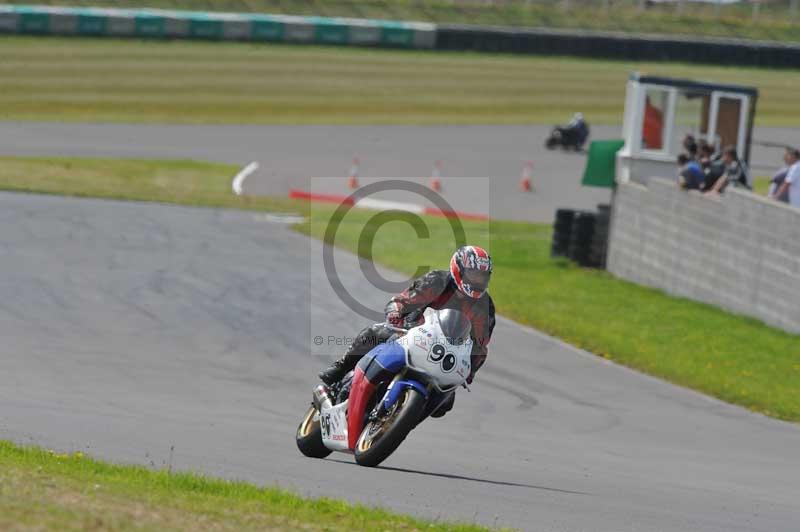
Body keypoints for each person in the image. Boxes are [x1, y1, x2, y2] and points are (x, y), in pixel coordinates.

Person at [318, 246, 496, 416]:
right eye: (473, 275)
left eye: (482, 276)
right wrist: (396, 312)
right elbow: (403, 300)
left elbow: (479, 345)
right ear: (459, 270)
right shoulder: (438, 280)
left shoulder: (485, 307)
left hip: (445, 355)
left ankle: (399, 421)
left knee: (444, 404)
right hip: (411, 334)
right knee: (374, 333)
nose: (478, 281)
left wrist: (470, 371)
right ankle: (341, 368)